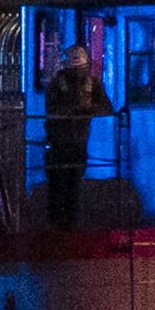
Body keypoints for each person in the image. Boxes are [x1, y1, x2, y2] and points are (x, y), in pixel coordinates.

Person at [44, 43, 111, 226]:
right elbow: (51, 110)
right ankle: (58, 224)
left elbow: (106, 107)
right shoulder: (57, 83)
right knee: (58, 184)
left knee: (73, 182)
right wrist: (71, 111)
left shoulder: (92, 83)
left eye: (80, 68)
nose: (78, 73)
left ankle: (70, 223)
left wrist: (87, 109)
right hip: (59, 142)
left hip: (78, 141)